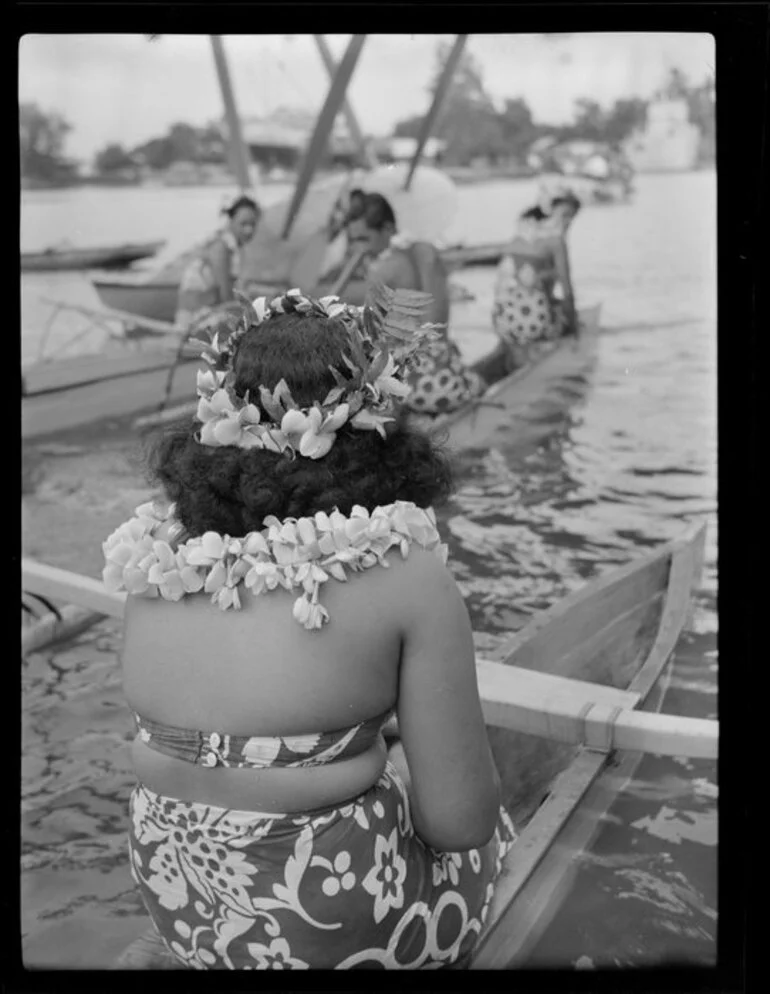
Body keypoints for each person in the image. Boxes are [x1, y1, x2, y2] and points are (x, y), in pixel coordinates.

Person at [104, 289, 516, 970]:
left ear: (219, 418)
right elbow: (459, 822)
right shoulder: (408, 574)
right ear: (372, 420)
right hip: (330, 928)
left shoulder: (153, 559)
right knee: (495, 833)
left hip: (177, 897)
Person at [344, 192, 485, 416]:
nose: (356, 248)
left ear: (388, 230)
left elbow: (368, 337)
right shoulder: (421, 253)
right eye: (352, 240)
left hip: (416, 388)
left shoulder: (383, 269)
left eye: (363, 239)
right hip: (447, 375)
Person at [492, 192, 581, 356]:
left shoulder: (517, 238)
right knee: (568, 313)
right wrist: (575, 330)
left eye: (572, 217)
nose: (568, 222)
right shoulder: (556, 241)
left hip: (501, 323)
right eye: (565, 215)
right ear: (551, 212)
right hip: (534, 325)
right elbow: (568, 291)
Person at [174, 193, 261, 331]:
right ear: (231, 221)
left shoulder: (232, 246)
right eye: (243, 224)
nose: (249, 230)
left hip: (209, 308)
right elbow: (225, 294)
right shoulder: (221, 247)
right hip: (195, 316)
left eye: (252, 224)